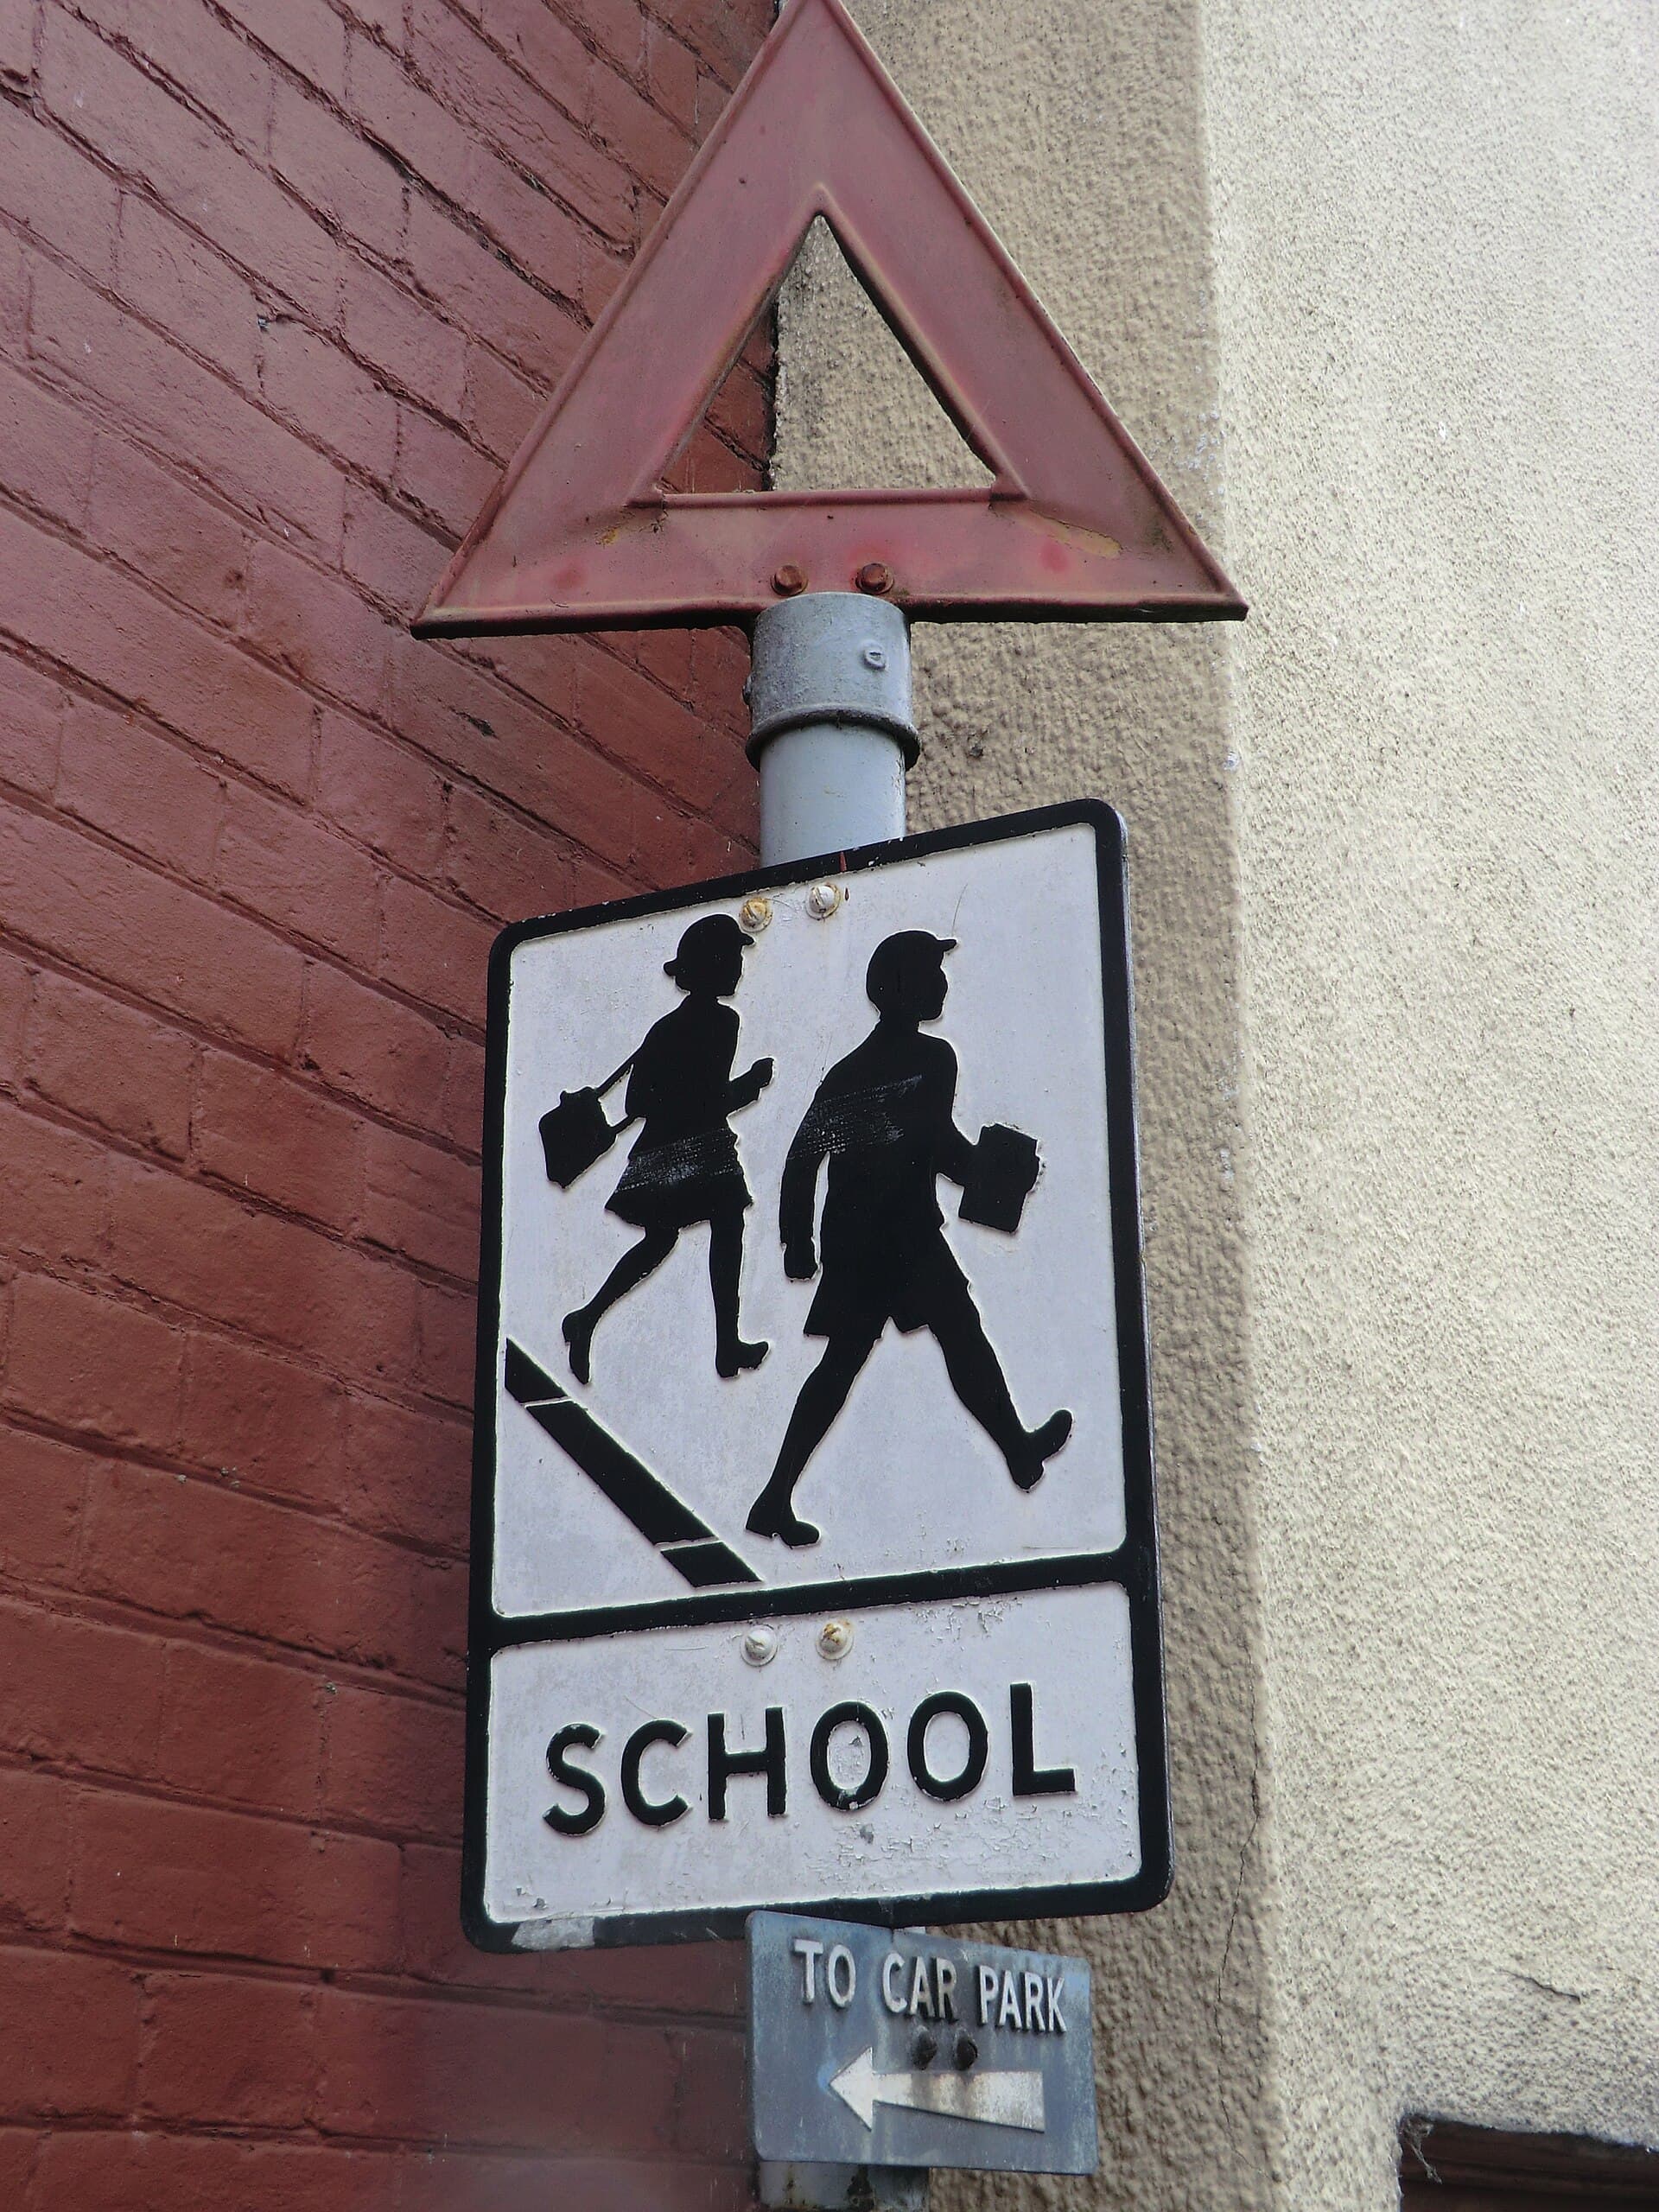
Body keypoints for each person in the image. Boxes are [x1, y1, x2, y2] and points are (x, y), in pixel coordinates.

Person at [745, 930, 1071, 1548]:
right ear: (902, 987)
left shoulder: (865, 1069)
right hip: (878, 1240)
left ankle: (1018, 1450)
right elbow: (813, 1153)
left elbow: (922, 1142)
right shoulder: (917, 1063)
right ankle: (774, 1496)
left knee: (951, 1334)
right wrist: (795, 1241)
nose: (943, 983)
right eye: (931, 972)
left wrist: (992, 1173)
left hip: (890, 1232)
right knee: (856, 1361)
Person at [563, 913, 772, 1384]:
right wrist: (753, 1084)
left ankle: (588, 1318)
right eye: (733, 957)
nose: (740, 966)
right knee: (723, 1226)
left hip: (664, 1151)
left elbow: (640, 1100)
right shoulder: (722, 1022)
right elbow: (708, 1098)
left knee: (664, 1239)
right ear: (712, 964)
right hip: (693, 1150)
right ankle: (726, 1345)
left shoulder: (665, 1027)